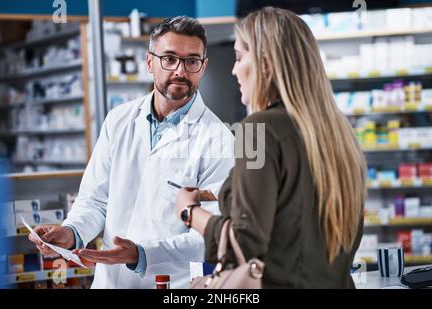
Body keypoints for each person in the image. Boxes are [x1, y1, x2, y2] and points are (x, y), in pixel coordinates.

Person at [28, 16, 234, 289]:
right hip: (111, 282)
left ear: (203, 67)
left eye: (192, 61)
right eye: (169, 59)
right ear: (150, 62)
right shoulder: (119, 120)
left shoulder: (218, 138)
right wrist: (71, 232)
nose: (180, 71)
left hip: (172, 284)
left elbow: (210, 235)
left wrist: (141, 254)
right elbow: (95, 199)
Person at [175, 7, 367, 289]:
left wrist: (190, 213)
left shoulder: (256, 129)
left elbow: (245, 243)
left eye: (239, 57)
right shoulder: (338, 132)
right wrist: (232, 192)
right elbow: (298, 208)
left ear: (265, 64)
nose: (233, 69)